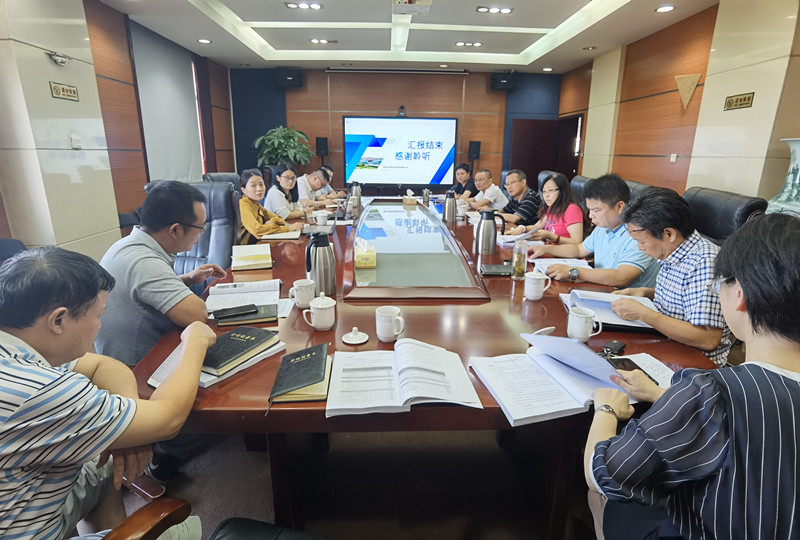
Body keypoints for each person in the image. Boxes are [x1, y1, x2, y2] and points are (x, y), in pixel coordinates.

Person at [585, 213, 800, 539]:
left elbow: (602, 473)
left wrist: (606, 409)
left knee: (602, 498)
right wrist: (661, 395)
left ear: (739, 295)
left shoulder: (711, 392)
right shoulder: (717, 398)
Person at [0, 246, 217, 540]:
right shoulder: (41, 390)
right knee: (186, 532)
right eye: (99, 315)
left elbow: (102, 365)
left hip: (25, 498)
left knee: (103, 467)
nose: (100, 325)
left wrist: (126, 431)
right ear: (58, 320)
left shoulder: (16, 347)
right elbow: (168, 418)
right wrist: (194, 341)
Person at [96, 181, 225, 367]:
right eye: (200, 228)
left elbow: (141, 292)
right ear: (175, 230)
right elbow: (197, 315)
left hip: (131, 357)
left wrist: (188, 279)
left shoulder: (127, 245)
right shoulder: (143, 261)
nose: (201, 235)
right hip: (138, 368)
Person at [610, 187, 731, 366]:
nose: (640, 248)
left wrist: (644, 314)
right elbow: (686, 300)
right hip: (665, 344)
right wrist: (645, 293)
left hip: (692, 365)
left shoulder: (705, 262)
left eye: (642, 241)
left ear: (669, 234)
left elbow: (707, 339)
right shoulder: (674, 252)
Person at [528, 174, 658, 288]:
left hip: (625, 299)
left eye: (596, 210)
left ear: (620, 207)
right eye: (589, 210)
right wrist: (545, 249)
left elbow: (621, 277)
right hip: (602, 289)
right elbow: (578, 249)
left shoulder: (637, 235)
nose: (590, 216)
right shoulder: (602, 228)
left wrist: (574, 272)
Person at [507, 172, 583, 244]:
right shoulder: (552, 207)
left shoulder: (571, 209)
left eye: (550, 190)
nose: (546, 196)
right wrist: (523, 228)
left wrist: (551, 236)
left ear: (562, 191)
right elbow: (537, 226)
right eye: (544, 191)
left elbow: (577, 242)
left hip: (562, 252)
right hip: (547, 248)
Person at [240, 168, 303, 244]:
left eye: (261, 184)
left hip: (260, 243)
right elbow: (257, 230)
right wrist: (287, 228)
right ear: (243, 190)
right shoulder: (243, 205)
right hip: (248, 247)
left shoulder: (257, 205)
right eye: (253, 185)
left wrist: (271, 222)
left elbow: (280, 219)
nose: (259, 189)